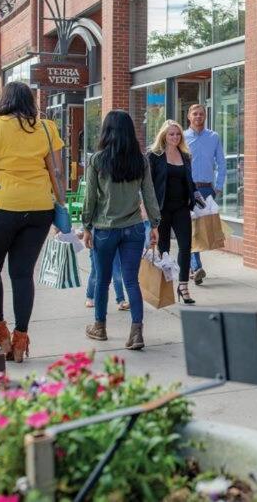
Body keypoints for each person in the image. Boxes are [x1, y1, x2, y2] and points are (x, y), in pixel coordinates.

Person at [0, 81, 64, 362]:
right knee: (22, 275)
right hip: (40, 209)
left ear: (3, 101)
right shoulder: (46, 128)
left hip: (1, 207)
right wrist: (62, 208)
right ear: (30, 102)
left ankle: (1, 337)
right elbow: (56, 173)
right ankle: (21, 341)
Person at [82, 110, 160, 350]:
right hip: (134, 228)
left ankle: (100, 327)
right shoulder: (140, 160)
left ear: (107, 131)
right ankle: (136, 333)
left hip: (105, 228)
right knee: (132, 281)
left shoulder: (97, 160)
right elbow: (149, 194)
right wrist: (155, 224)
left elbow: (90, 198)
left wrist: (86, 226)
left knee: (102, 280)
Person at [148, 119, 202, 304]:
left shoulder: (185, 155)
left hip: (181, 207)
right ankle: (165, 286)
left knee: (186, 246)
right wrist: (146, 208)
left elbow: (189, 179)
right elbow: (147, 185)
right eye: (171, 134)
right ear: (164, 135)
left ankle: (184, 286)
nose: (175, 137)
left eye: (178, 134)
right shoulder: (154, 156)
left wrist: (197, 195)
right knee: (163, 249)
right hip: (161, 209)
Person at [183, 103, 225, 285]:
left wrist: (219, 185)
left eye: (201, 114)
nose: (198, 116)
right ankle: (196, 266)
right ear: (189, 117)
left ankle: (194, 266)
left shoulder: (213, 137)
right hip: (187, 189)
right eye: (195, 114)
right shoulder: (182, 137)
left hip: (207, 190)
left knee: (202, 228)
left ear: (205, 116)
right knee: (191, 227)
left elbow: (221, 163)